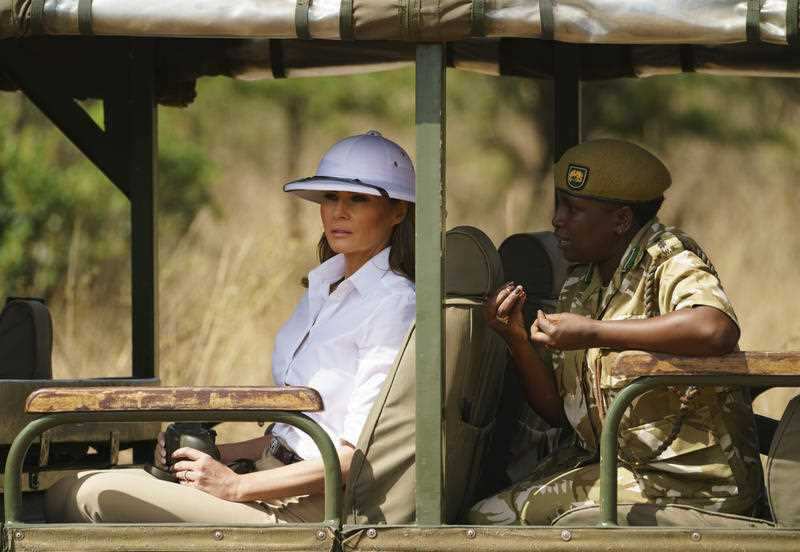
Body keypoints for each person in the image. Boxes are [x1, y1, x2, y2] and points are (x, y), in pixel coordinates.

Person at [45, 131, 416, 524]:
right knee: (62, 490)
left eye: (358, 199)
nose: (338, 212)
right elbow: (294, 436)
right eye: (329, 197)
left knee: (90, 494)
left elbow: (354, 457)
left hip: (309, 508)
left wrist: (234, 487)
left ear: (398, 212)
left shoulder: (394, 304)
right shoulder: (324, 287)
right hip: (269, 474)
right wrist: (217, 457)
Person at [468, 139, 763, 525]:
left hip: (693, 484)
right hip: (620, 469)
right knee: (483, 516)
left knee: (499, 521)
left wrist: (595, 332)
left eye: (574, 210)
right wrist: (517, 339)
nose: (557, 220)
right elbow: (560, 412)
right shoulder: (582, 284)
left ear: (621, 221)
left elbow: (715, 328)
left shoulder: (669, 258)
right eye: (559, 205)